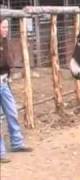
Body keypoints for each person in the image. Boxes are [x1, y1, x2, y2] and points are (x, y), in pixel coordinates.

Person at [0, 17, 33, 163]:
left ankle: (17, 143)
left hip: (4, 82)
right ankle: (0, 152)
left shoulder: (4, 42)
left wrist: (8, 76)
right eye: (3, 27)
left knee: (12, 112)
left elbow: (7, 62)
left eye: (7, 27)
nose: (6, 30)